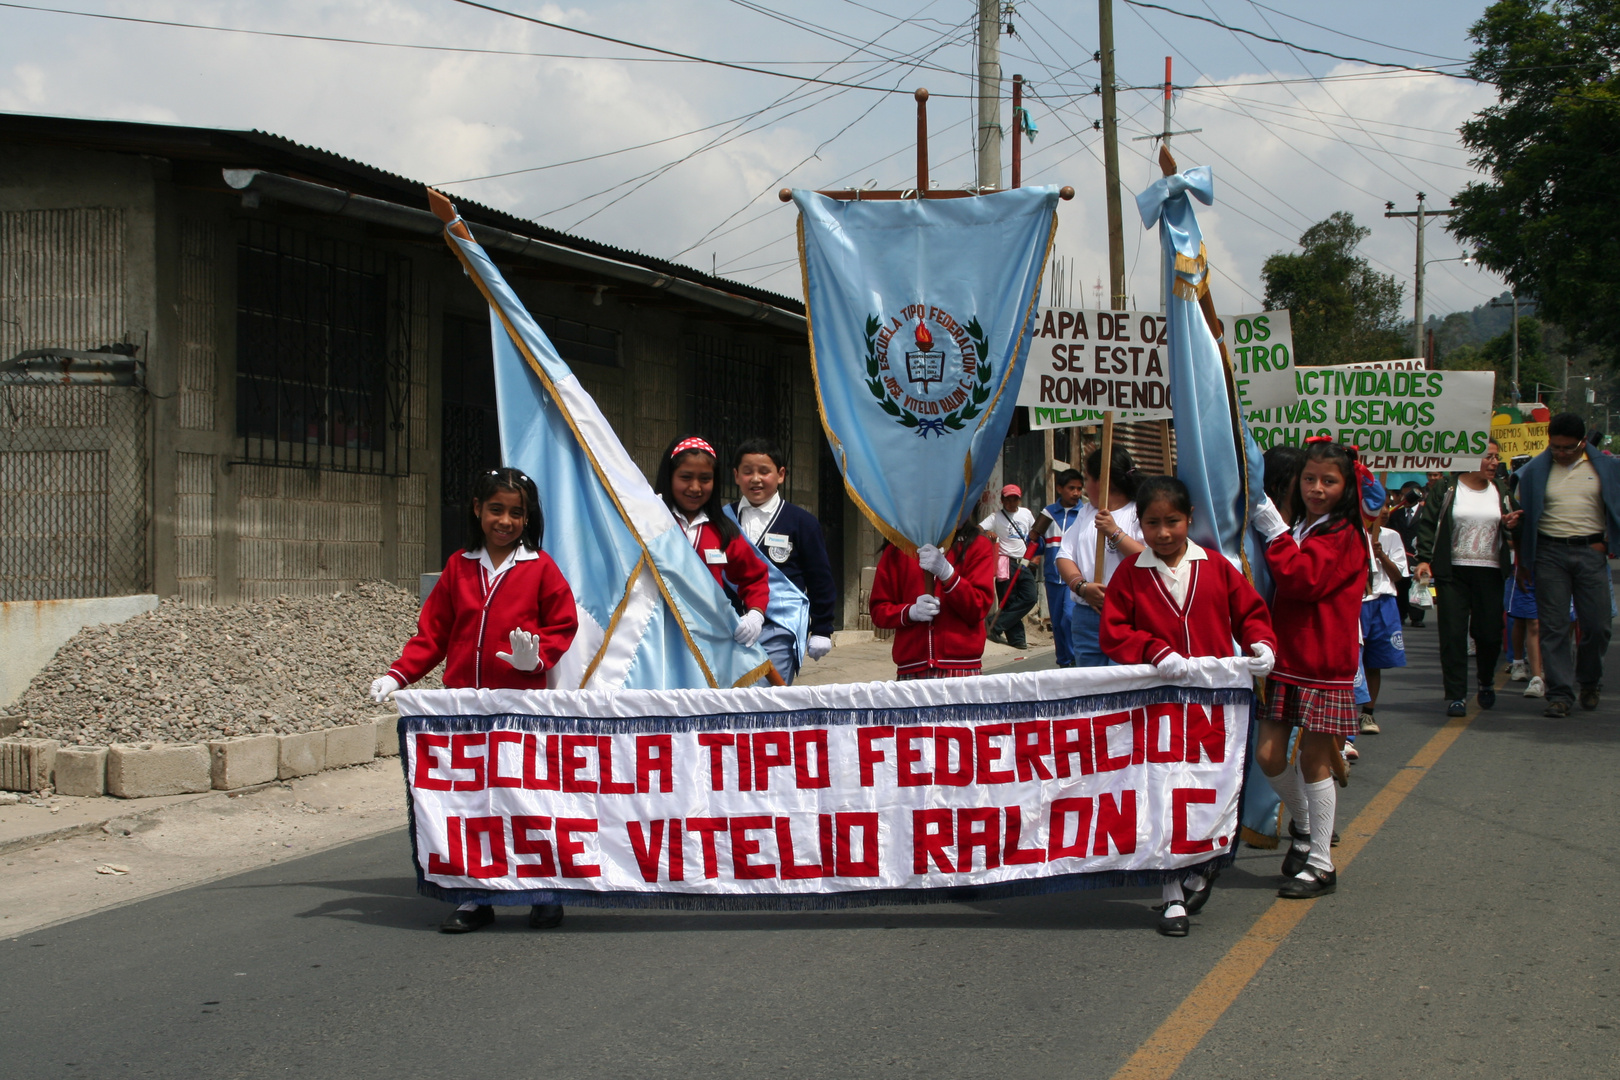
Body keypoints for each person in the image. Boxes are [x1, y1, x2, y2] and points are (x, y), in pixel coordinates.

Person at [370, 467, 580, 934]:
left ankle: (544, 893)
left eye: (516, 513)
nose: (505, 520)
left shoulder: (540, 568)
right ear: (477, 510)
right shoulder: (458, 567)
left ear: (529, 518)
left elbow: (563, 625)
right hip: (463, 710)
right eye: (496, 509)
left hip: (521, 709)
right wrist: (398, 674)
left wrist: (536, 659)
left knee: (528, 801)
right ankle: (473, 895)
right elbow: (434, 634)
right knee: (468, 804)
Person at [1100, 476, 1276, 936]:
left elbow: (1251, 613)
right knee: (1161, 793)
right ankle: (1171, 893)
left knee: (1210, 791)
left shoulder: (1217, 567)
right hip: (1157, 710)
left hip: (1215, 708)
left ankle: (1199, 866)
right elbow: (1114, 631)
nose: (1162, 533)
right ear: (1138, 524)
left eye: (1172, 522)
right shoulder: (1130, 574)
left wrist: (1261, 643)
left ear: (1190, 518)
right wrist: (1153, 650)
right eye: (1152, 523)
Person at [1250, 439, 1370, 900]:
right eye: (1309, 479)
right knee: (1267, 755)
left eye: (1329, 481)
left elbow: (1302, 580)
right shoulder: (1306, 524)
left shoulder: (1344, 534)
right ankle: (1303, 825)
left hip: (1323, 663)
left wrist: (1277, 534)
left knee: (1315, 762)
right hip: (1287, 658)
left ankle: (1321, 862)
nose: (1317, 488)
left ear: (1346, 486)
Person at [1509, 412, 1620, 717]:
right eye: (1555, 447)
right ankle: (1559, 693)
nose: (1560, 453)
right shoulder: (1534, 472)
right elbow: (1522, 513)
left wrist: (1607, 542)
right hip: (1549, 554)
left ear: (1583, 443)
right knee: (1554, 627)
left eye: (1567, 448)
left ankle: (1589, 680)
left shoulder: (1607, 468)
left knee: (1598, 625)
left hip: (1590, 552)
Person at [1414, 441, 1520, 717]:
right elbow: (1429, 523)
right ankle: (1456, 695)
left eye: (1496, 457)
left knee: (1488, 633)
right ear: (1471, 458)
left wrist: (1512, 525)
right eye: (1488, 457)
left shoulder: (1501, 490)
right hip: (1453, 572)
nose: (1494, 463)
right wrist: (1424, 558)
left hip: (1490, 572)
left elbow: (1516, 523)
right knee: (1452, 634)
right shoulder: (1447, 488)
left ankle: (1486, 680)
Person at [730, 438, 837, 684]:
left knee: (765, 706)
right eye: (747, 472)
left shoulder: (802, 522)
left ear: (780, 475)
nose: (755, 479)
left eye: (764, 471)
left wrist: (822, 628)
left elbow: (820, 579)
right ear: (736, 476)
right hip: (730, 627)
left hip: (778, 629)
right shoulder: (723, 520)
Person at [655, 436, 772, 655]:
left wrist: (756, 613)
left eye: (705, 479)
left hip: (708, 641)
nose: (695, 487)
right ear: (669, 476)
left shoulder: (723, 531)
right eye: (686, 477)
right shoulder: (650, 522)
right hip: (657, 637)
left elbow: (754, 577)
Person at [1054, 448, 1146, 666]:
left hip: (1127, 615)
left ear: (1103, 481)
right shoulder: (1087, 512)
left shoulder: (1139, 512)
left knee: (1125, 686)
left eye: (1087, 479)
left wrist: (1114, 532)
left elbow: (1149, 559)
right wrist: (1082, 586)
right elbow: (1064, 555)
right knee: (1091, 688)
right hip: (1087, 616)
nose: (1084, 487)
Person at [869, 523, 996, 679]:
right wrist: (910, 612)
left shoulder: (977, 545)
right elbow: (879, 611)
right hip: (912, 669)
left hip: (961, 668)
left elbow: (979, 607)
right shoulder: (897, 549)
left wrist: (948, 575)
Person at [1358, 495, 1409, 735]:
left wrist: (1381, 555)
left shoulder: (1391, 537)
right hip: (1357, 604)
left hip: (1383, 602)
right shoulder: (1350, 533)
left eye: (1387, 506)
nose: (1385, 511)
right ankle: (1345, 715)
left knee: (1374, 662)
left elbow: (1398, 576)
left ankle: (1367, 713)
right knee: (1352, 662)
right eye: (1379, 506)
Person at [1031, 469, 1087, 667]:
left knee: (1069, 617)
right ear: (1060, 489)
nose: (1076, 493)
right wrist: (1032, 541)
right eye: (1071, 488)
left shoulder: (1085, 514)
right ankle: (1063, 661)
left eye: (1079, 489)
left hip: (1075, 576)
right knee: (1057, 622)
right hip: (1053, 577)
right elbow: (1038, 545)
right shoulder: (1048, 514)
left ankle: (1075, 660)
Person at [981, 485, 1039, 648]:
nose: (1011, 502)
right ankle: (1017, 639)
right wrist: (988, 534)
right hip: (1006, 562)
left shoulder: (1026, 513)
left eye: (1014, 498)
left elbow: (1036, 534)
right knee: (1009, 600)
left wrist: (1037, 555)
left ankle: (994, 624)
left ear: (1019, 499)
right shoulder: (996, 516)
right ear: (1002, 500)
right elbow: (978, 529)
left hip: (1025, 562)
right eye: (1008, 499)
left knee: (1030, 597)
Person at [1390, 482, 1426, 626]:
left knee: (1421, 584)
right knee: (1401, 585)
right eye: (1404, 494)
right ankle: (1401, 614)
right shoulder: (1396, 513)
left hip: (1420, 556)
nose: (1407, 497)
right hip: (1401, 555)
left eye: (1409, 494)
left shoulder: (1426, 513)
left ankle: (1417, 616)